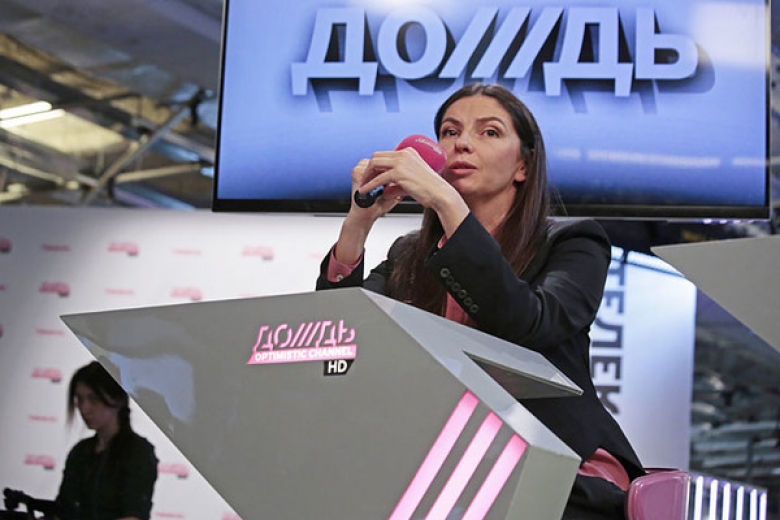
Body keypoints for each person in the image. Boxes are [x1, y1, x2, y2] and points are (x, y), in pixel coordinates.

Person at [316, 83, 645, 519]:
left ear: (523, 165)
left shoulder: (574, 242)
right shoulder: (409, 253)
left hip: (562, 466)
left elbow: (530, 324)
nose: (462, 144)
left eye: (489, 132)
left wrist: (447, 203)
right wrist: (358, 223)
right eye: (450, 132)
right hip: (446, 464)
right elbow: (344, 336)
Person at [55, 361, 158, 520]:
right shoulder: (80, 451)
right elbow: (63, 509)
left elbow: (133, 515)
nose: (84, 408)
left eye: (93, 399)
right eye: (79, 399)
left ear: (117, 400)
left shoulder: (138, 452)